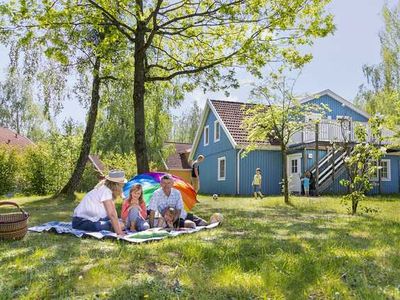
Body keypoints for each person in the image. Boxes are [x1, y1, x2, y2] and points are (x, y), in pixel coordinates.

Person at [72, 170, 126, 236]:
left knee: (121, 222)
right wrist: (119, 232)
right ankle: (114, 225)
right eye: (122, 183)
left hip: (93, 218)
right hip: (81, 222)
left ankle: (115, 224)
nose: (123, 185)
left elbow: (112, 211)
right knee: (120, 225)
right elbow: (112, 214)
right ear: (116, 184)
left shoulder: (106, 188)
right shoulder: (106, 191)